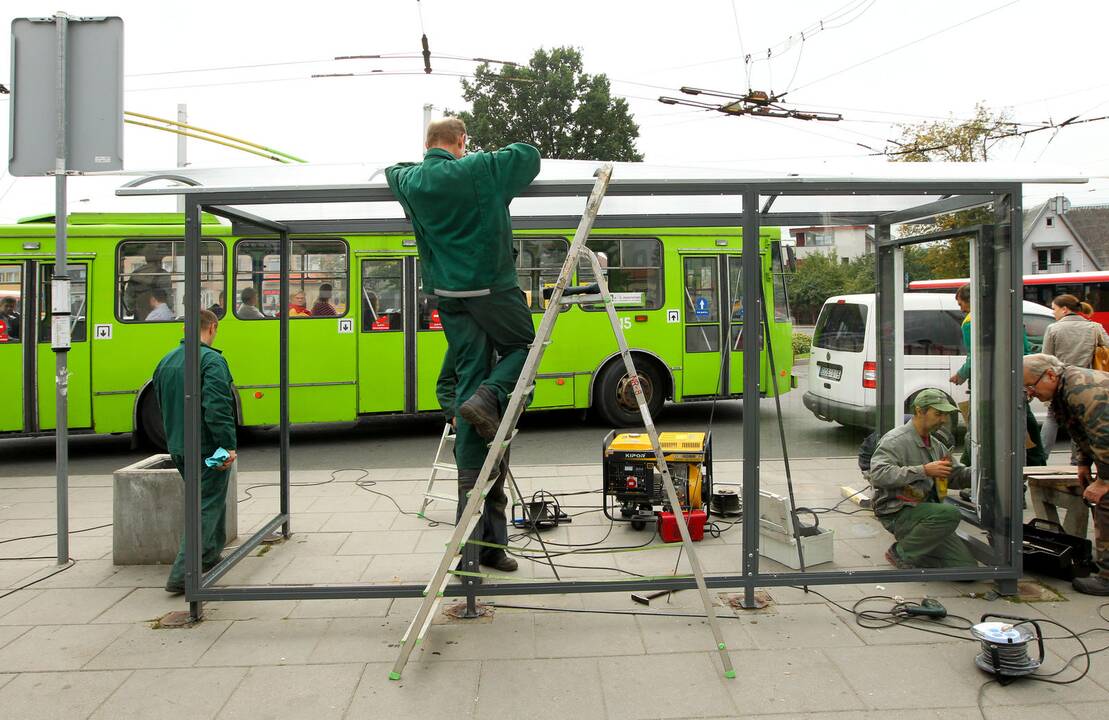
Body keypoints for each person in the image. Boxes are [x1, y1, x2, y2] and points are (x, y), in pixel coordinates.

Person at [386, 117, 540, 573]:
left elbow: (393, 170)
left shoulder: (411, 179)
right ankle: (490, 395)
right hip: (492, 287)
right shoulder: (481, 169)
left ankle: (480, 553)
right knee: (525, 348)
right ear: (462, 142)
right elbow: (528, 154)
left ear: (427, 144)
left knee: (473, 386)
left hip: (449, 295)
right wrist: (479, 158)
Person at [152, 309, 237, 594]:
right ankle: (183, 573)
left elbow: (162, 406)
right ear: (211, 327)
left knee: (210, 501)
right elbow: (218, 407)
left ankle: (209, 556)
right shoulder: (211, 360)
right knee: (206, 506)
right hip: (206, 447)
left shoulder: (166, 360)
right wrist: (227, 445)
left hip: (179, 445)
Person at [1023, 353, 1109, 595]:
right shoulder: (1063, 390)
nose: (1030, 393)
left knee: (1105, 503)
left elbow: (1104, 437)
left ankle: (1107, 577)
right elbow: (1080, 429)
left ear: (1050, 375)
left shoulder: (1082, 390)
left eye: (1030, 385)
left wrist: (1104, 481)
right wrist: (1083, 464)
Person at [868, 389, 977, 569]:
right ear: (919, 411)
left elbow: (955, 476)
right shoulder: (895, 440)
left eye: (946, 415)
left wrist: (985, 473)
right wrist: (924, 470)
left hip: (928, 515)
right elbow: (879, 475)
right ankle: (900, 553)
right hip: (898, 512)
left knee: (967, 569)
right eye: (938, 414)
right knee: (950, 513)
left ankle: (917, 546)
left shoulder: (936, 445)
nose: (944, 420)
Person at [949, 284, 1046, 466]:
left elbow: (976, 356)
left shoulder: (970, 322)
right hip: (1015, 381)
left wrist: (961, 375)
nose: (960, 308)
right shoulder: (1008, 315)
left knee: (977, 429)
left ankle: (970, 471)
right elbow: (1025, 350)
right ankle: (1037, 465)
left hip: (987, 385)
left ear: (970, 301)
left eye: (960, 303)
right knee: (1027, 426)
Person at [1040, 294, 1109, 452]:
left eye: (1054, 309)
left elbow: (1046, 358)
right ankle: (1075, 461)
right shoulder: (1094, 327)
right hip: (1086, 381)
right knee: (1079, 421)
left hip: (1059, 380)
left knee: (1052, 418)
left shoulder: (1053, 328)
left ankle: (1043, 457)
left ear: (1064, 309)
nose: (1053, 313)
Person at [124, 247, 170, 321]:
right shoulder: (163, 274)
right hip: (158, 315)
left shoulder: (136, 273)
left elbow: (129, 297)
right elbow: (168, 295)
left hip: (139, 314)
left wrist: (131, 309)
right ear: (159, 260)